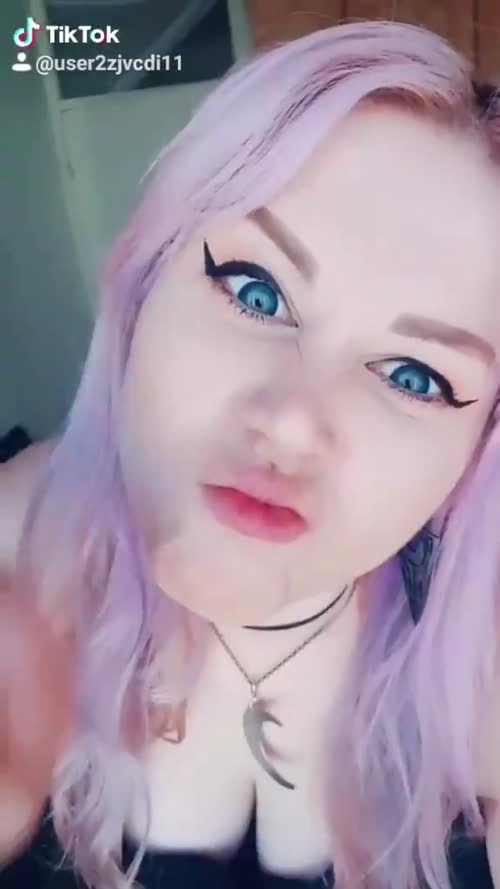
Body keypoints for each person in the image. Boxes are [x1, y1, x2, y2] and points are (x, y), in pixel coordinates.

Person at [1, 16, 500, 889]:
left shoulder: (479, 685)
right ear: (145, 280)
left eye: (415, 377)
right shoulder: (18, 545)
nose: (294, 424)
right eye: (256, 291)